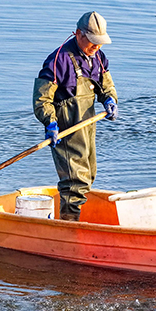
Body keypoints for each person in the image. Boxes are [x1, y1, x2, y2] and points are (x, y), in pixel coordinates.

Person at [33, 11, 119, 220]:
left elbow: (106, 86)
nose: (96, 46)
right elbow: (42, 99)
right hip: (66, 130)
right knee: (75, 182)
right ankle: (68, 225)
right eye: (92, 41)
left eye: (99, 42)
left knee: (89, 175)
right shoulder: (59, 60)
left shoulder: (98, 57)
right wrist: (50, 123)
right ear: (79, 34)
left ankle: (73, 221)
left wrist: (110, 100)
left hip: (87, 127)